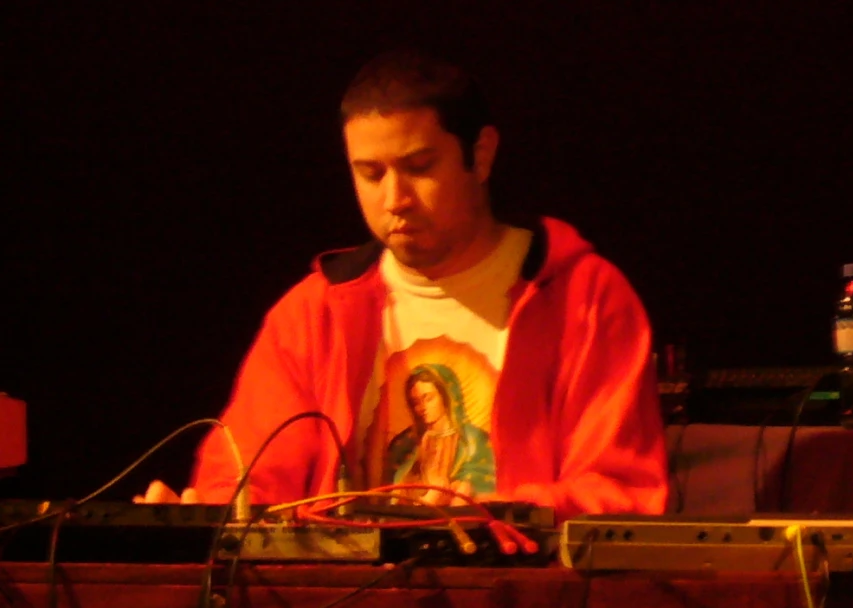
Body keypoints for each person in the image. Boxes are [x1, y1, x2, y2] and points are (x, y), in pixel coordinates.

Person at [143, 50, 667, 517]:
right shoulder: (315, 311)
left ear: (480, 156)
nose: (395, 198)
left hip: (518, 604)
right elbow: (249, 480)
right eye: (370, 174)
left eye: (419, 167)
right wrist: (199, 519)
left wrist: (495, 516)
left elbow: (623, 493)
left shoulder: (584, 297)